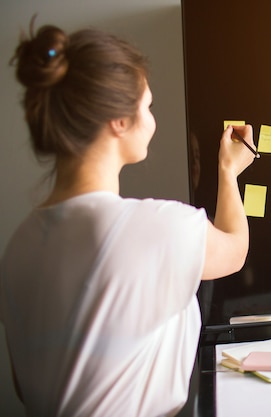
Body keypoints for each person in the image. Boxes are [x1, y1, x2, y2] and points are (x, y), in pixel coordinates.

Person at [0, 19, 256, 417]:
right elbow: (235, 249)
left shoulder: (18, 245)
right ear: (119, 121)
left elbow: (23, 384)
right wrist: (229, 172)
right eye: (148, 106)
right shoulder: (157, 228)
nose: (152, 119)